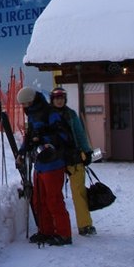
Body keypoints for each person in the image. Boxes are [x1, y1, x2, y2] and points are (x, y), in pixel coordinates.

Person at [14, 86, 73, 246]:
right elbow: (30, 136)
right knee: (39, 199)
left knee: (54, 199)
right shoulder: (33, 114)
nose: (23, 107)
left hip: (53, 163)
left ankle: (64, 234)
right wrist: (22, 151)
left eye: (25, 103)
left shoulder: (50, 112)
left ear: (31, 101)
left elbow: (61, 135)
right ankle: (46, 231)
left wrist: (43, 139)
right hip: (39, 163)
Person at [50, 87, 96, 236]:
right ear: (52, 99)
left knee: (79, 191)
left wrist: (86, 151)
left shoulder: (71, 115)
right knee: (55, 193)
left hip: (72, 156)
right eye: (57, 98)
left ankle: (85, 224)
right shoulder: (47, 115)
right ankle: (56, 224)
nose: (59, 100)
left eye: (62, 98)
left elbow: (79, 134)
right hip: (55, 157)